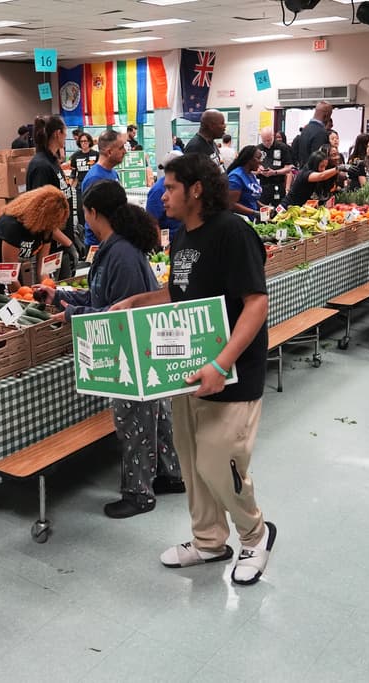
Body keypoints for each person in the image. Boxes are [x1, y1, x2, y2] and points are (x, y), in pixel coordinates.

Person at [111, 154, 275, 586]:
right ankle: (208, 541)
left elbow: (256, 302)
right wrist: (136, 302)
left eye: (169, 187)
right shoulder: (183, 237)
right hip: (185, 371)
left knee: (220, 459)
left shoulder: (233, 233)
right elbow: (177, 293)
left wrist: (222, 362)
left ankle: (255, 536)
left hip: (233, 372)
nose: (161, 195)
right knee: (191, 463)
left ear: (196, 189)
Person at [34, 181, 183, 518]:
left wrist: (70, 315)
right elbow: (99, 297)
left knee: (134, 420)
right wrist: (59, 296)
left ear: (94, 213)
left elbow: (121, 314)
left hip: (134, 349)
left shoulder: (122, 255)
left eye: (85, 213)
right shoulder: (112, 249)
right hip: (139, 348)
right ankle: (170, 476)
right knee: (154, 415)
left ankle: (139, 494)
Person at [0, 185, 67, 301]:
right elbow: (9, 273)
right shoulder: (12, 226)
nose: (52, 226)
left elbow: (43, 269)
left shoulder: (47, 228)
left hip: (11, 275)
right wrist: (26, 299)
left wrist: (48, 289)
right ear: (42, 215)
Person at [26, 115, 77, 271]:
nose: (66, 136)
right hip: (50, 245)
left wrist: (72, 237)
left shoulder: (52, 161)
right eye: (65, 132)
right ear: (57, 133)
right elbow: (42, 214)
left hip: (62, 239)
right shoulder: (41, 166)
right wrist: (68, 242)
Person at [80, 130, 126, 247]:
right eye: (121, 148)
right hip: (99, 244)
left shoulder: (113, 173)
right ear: (109, 152)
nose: (125, 151)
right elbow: (92, 217)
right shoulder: (94, 178)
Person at [146, 150, 184, 243]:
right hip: (171, 240)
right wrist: (164, 246)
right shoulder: (158, 190)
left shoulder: (185, 185)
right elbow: (152, 222)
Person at [256, 127, 293, 207]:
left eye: (269, 140)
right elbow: (252, 169)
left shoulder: (282, 147)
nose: (267, 143)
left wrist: (275, 172)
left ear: (273, 136)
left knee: (279, 211)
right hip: (262, 186)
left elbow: (289, 168)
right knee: (262, 212)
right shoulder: (258, 149)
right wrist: (259, 169)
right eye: (264, 141)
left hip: (278, 184)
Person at [226, 146, 264, 221]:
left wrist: (263, 207)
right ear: (249, 160)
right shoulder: (236, 177)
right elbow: (232, 204)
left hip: (253, 220)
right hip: (241, 221)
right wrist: (254, 213)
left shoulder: (250, 174)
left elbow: (251, 197)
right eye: (258, 158)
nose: (261, 161)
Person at [294, 101, 332, 167]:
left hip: (303, 172)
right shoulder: (321, 133)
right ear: (326, 115)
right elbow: (319, 161)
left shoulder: (305, 129)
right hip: (314, 174)